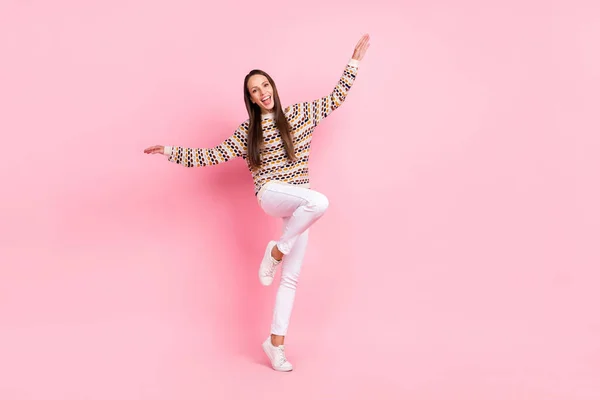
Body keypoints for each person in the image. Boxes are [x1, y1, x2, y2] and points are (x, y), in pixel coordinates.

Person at [144, 33, 370, 371]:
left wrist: (353, 62)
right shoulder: (247, 132)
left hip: (299, 206)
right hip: (272, 194)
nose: (262, 93)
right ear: (250, 98)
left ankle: (275, 344)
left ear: (273, 88)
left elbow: (335, 98)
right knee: (320, 202)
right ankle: (276, 251)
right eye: (254, 90)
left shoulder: (300, 115)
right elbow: (209, 155)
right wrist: (170, 151)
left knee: (290, 278)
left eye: (265, 86)